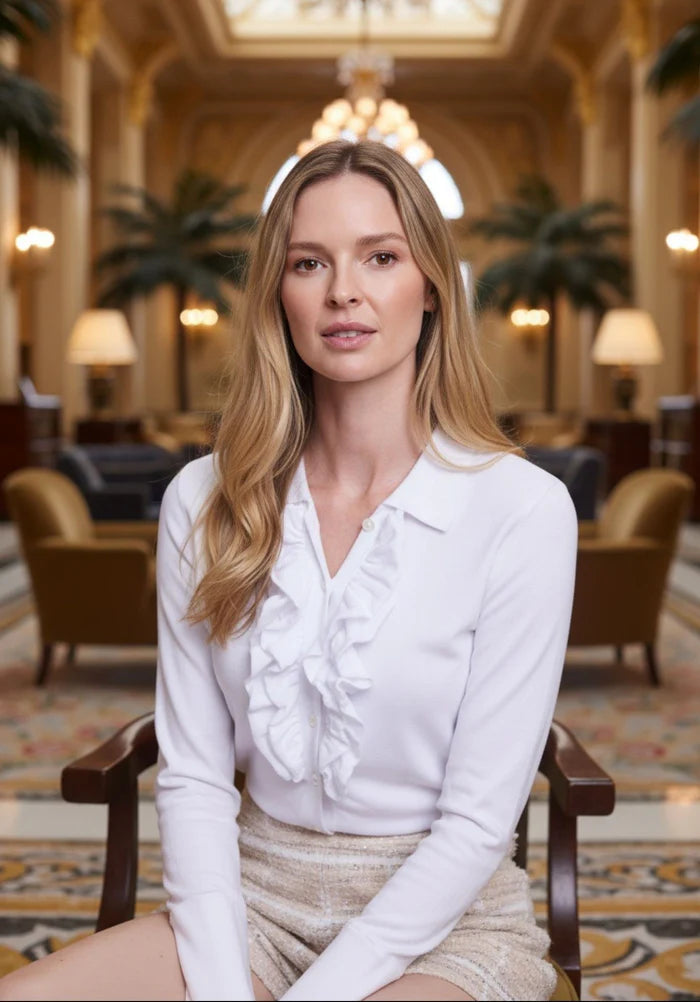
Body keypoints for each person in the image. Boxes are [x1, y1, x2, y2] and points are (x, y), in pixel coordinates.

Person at [0, 139, 577, 1002]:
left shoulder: (522, 510)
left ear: (431, 286)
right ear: (279, 292)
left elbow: (475, 825)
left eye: (380, 257)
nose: (343, 291)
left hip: (446, 922)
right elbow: (195, 778)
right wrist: (224, 985)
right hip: (249, 900)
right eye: (310, 263)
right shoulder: (205, 497)